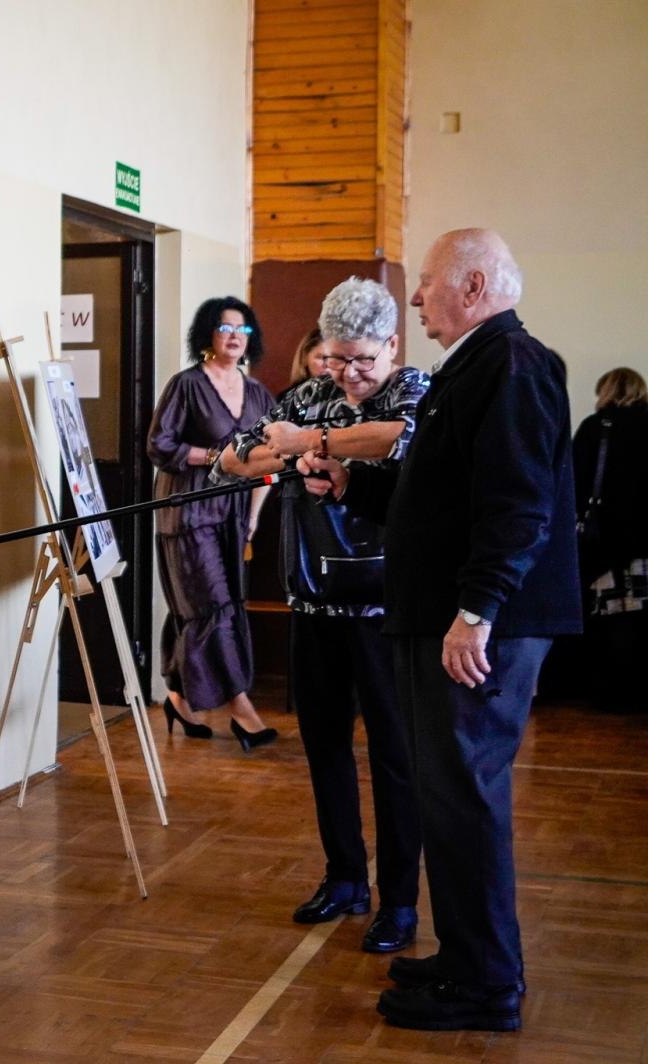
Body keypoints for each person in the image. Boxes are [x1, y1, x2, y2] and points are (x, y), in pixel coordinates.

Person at [300, 229, 580, 1032]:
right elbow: (443, 503)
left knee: (467, 799)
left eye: (425, 284)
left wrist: (476, 611)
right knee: (450, 798)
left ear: (476, 283)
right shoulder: (480, 366)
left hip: (480, 626)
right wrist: (352, 484)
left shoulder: (515, 366)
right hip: (448, 617)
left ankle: (487, 984)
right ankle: (467, 960)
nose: (416, 298)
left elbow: (519, 506)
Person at [220, 278, 427, 953]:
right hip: (313, 601)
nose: (350, 374)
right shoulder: (308, 393)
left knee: (396, 758)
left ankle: (399, 900)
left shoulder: (413, 389)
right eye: (337, 359)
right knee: (325, 747)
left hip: (388, 609)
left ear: (393, 345)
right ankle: (345, 877)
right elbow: (233, 456)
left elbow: (398, 440)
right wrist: (287, 447)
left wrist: (317, 441)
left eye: (364, 359)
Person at [147, 297, 277, 749]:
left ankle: (179, 700)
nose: (235, 336)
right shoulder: (186, 385)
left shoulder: (259, 394)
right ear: (208, 335)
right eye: (225, 328)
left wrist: (254, 518)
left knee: (204, 607)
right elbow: (160, 446)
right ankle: (242, 711)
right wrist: (213, 458)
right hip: (188, 511)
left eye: (244, 330)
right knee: (212, 606)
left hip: (235, 516)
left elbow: (269, 458)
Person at [572, 367, 648, 712]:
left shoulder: (595, 427)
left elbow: (574, 483)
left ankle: (608, 694)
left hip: (606, 542)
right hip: (644, 542)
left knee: (611, 616)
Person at [280, 326, 329, 399]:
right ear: (305, 358)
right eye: (323, 358)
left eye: (337, 358)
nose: (329, 364)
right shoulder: (287, 400)